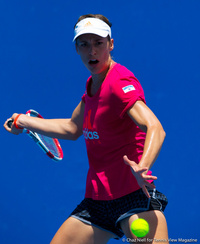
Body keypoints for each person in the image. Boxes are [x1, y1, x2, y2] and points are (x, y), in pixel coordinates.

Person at [4, 14, 168, 244]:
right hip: (97, 200)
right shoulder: (92, 87)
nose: (92, 51)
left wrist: (143, 167)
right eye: (84, 44)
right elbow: (72, 127)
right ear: (77, 48)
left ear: (110, 44)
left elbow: (155, 128)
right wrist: (23, 121)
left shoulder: (119, 83)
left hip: (134, 196)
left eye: (98, 43)